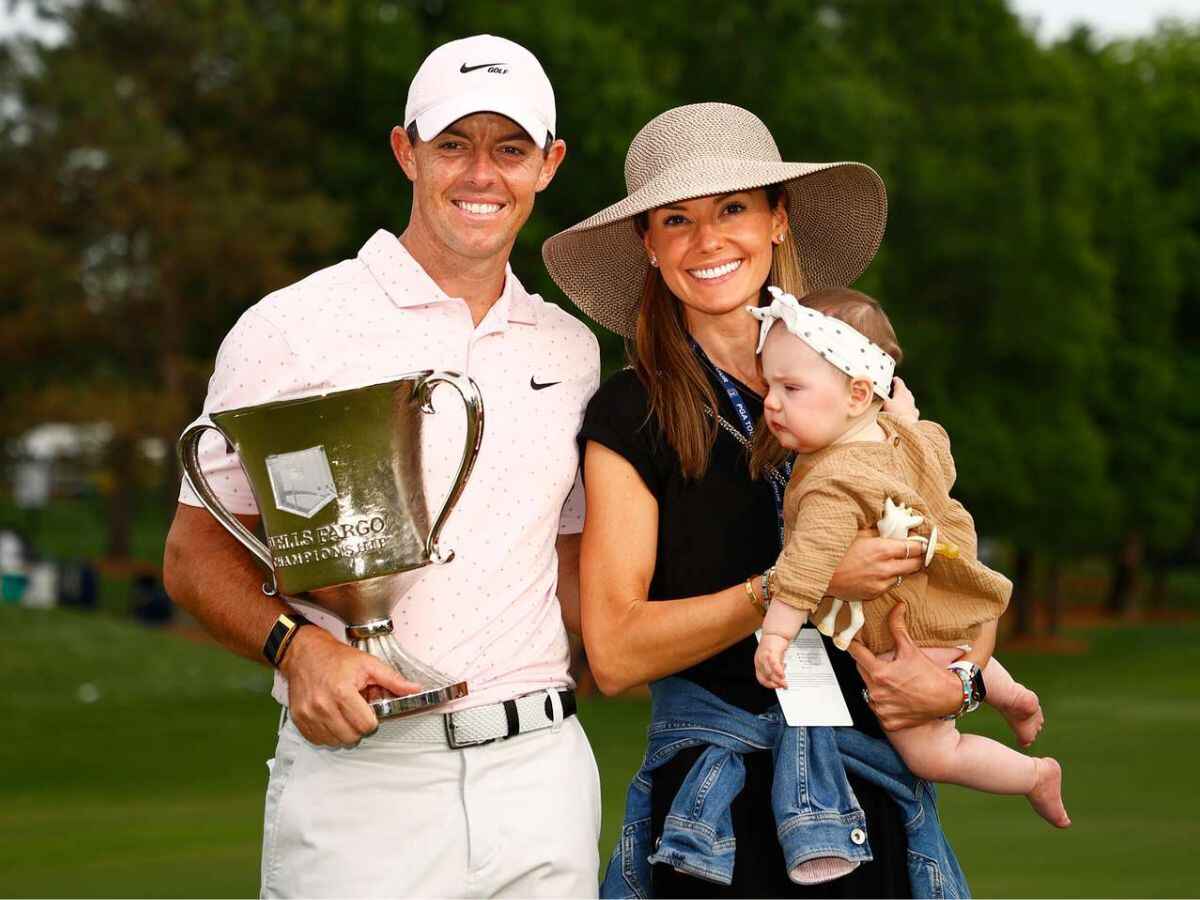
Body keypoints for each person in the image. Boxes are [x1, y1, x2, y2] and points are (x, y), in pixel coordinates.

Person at [163, 34, 602, 898]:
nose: (482, 175)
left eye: (509, 149)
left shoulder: (572, 348)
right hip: (364, 778)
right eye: (453, 145)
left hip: (543, 778)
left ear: (548, 165)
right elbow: (192, 553)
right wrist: (295, 650)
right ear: (406, 151)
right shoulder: (290, 326)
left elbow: (574, 563)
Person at [543, 102, 980, 898]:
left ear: (779, 221)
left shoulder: (861, 384)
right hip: (719, 824)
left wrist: (962, 684)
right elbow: (614, 652)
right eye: (676, 219)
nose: (708, 241)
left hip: (871, 803)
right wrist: (796, 584)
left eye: (734, 208)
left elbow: (949, 568)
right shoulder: (630, 413)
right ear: (649, 245)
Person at [749, 286, 1069, 829]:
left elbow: (803, 571)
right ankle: (1011, 695)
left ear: (856, 395)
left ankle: (1033, 774)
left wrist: (777, 635)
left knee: (932, 755)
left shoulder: (832, 481)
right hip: (945, 611)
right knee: (960, 654)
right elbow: (939, 460)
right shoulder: (900, 438)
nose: (772, 403)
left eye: (792, 387)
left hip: (905, 641)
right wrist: (905, 417)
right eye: (769, 386)